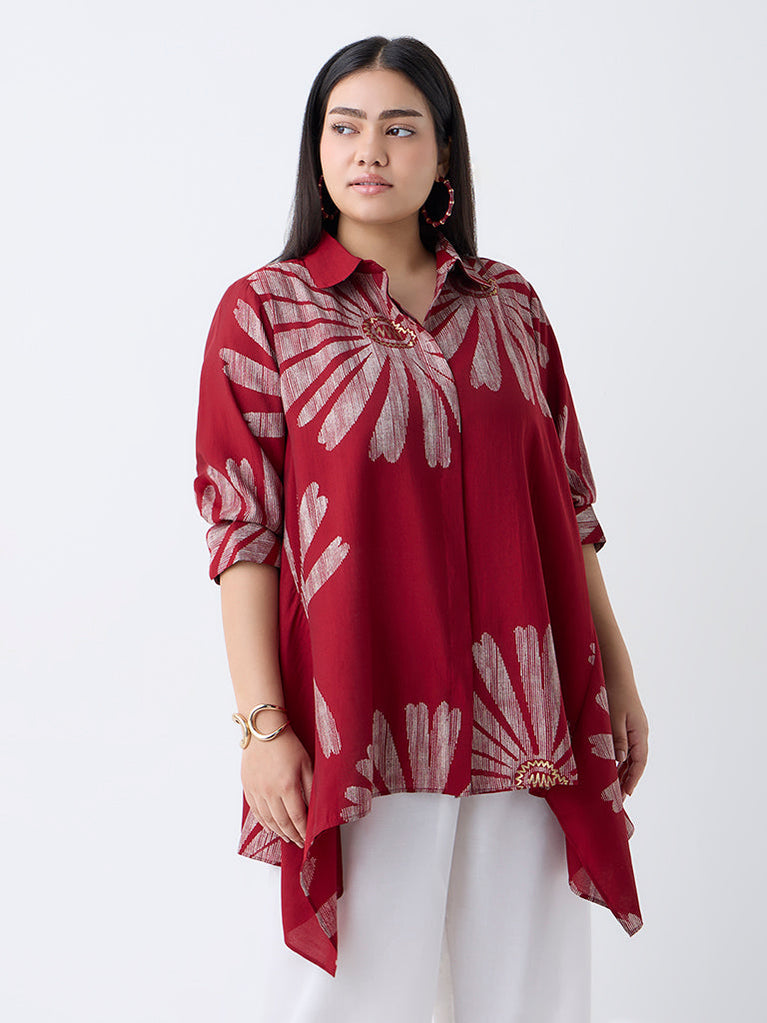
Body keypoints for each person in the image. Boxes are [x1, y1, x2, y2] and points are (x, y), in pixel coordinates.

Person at [193, 34, 648, 1023]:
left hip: (526, 711)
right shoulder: (264, 313)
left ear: (442, 153)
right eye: (344, 127)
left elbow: (568, 505)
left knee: (530, 1001)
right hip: (359, 710)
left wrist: (614, 672)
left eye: (399, 129)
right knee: (349, 1000)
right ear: (316, 149)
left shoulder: (510, 305)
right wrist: (263, 726)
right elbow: (244, 536)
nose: (369, 151)